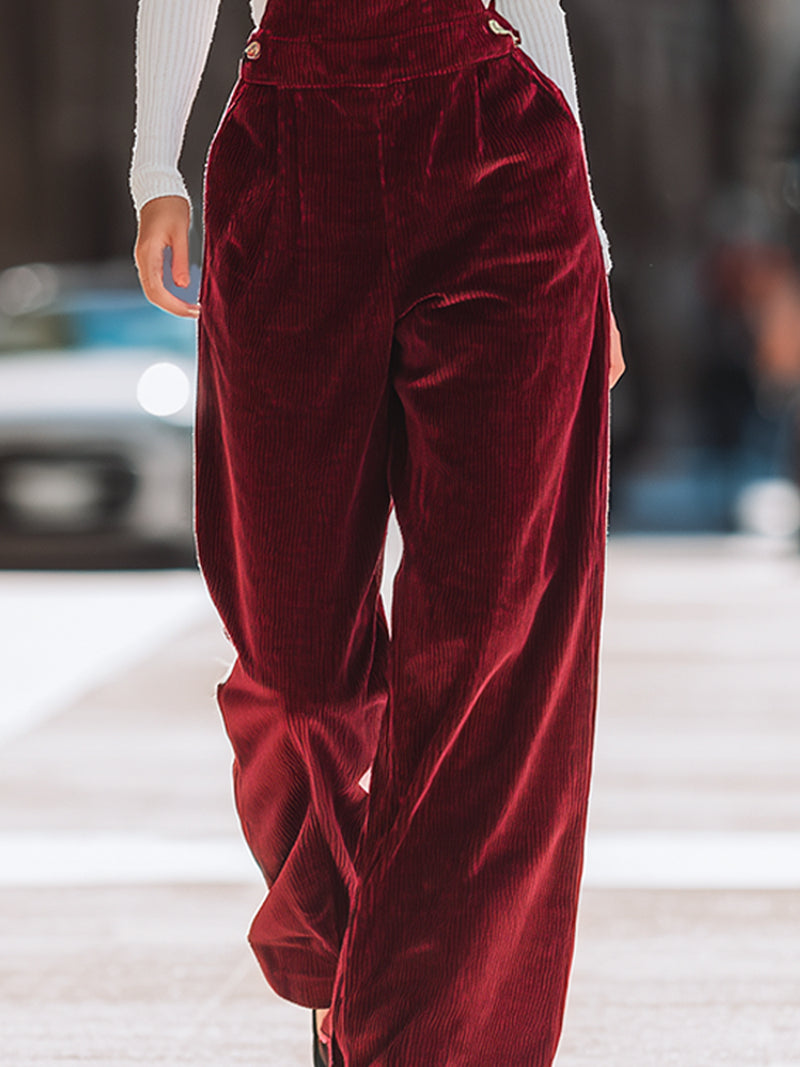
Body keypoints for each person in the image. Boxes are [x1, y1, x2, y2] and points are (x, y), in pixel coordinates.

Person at [131, 0, 626, 1063]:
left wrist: (590, 241)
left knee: (490, 637)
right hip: (290, 161)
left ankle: (422, 1034)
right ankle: (339, 945)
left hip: (499, 152)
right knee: (294, 667)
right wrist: (153, 169)